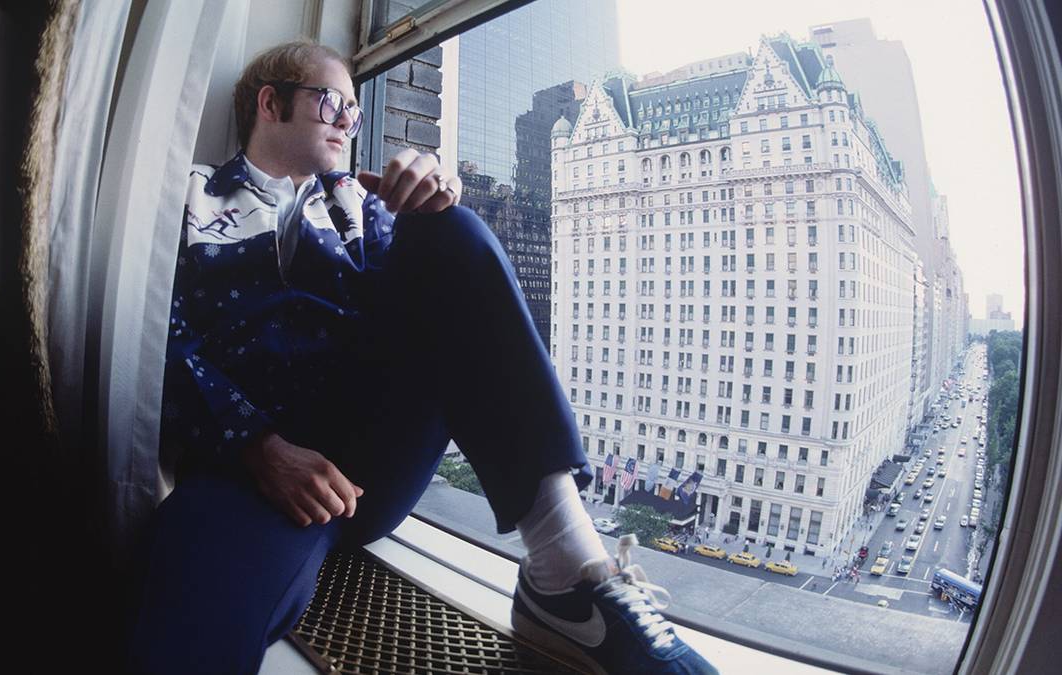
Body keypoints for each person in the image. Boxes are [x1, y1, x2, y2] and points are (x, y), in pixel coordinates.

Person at [126, 41, 717, 675]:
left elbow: (441, 313)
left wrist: (438, 203)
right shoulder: (189, 198)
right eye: (331, 103)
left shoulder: (363, 205)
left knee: (451, 227)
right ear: (270, 104)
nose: (348, 122)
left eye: (355, 111)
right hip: (246, 472)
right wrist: (258, 448)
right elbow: (156, 337)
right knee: (187, 614)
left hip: (367, 456)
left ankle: (564, 568)